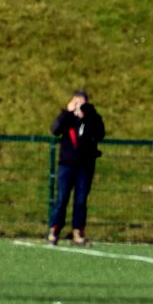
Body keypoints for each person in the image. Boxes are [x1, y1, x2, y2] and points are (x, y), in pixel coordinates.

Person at [48, 89, 105, 246]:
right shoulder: (67, 118)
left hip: (85, 166)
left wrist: (87, 115)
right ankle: (54, 230)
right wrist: (67, 112)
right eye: (76, 101)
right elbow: (55, 130)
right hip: (66, 165)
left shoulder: (92, 118)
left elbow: (100, 133)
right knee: (62, 199)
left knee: (80, 201)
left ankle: (78, 232)